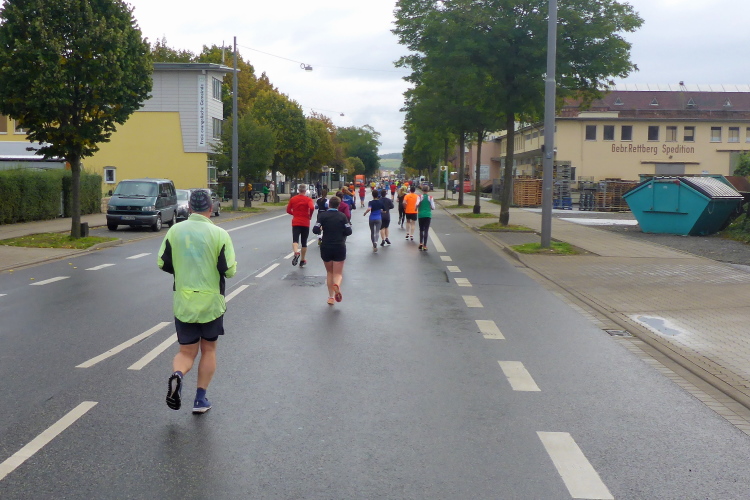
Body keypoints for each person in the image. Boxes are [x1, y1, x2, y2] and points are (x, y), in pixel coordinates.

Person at [158, 189, 237, 414]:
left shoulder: (175, 231)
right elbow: (229, 270)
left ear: (190, 208)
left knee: (186, 352)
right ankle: (200, 400)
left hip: (184, 301)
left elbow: (163, 263)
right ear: (211, 209)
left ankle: (178, 375)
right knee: (209, 349)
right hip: (211, 302)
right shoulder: (220, 234)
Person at [313, 196, 352, 305]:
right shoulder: (342, 216)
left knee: (330, 272)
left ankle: (331, 297)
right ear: (338, 205)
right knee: (338, 273)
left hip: (326, 246)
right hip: (339, 245)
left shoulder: (322, 216)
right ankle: (337, 285)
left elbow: (315, 229)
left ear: (328, 204)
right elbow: (349, 231)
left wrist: (322, 228)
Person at [286, 183, 315, 268]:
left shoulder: (293, 199)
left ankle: (296, 252)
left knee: (295, 240)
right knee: (304, 242)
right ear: (305, 191)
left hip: (296, 222)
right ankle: (302, 260)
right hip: (305, 222)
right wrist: (310, 215)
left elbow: (288, 210)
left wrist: (294, 214)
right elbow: (312, 207)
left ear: (298, 190)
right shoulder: (308, 199)